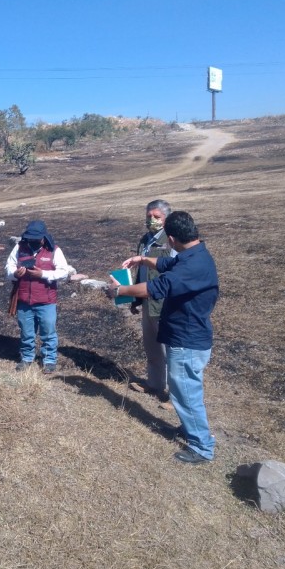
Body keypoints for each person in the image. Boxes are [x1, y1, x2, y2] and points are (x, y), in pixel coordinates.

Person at [106, 211, 219, 464]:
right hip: (191, 336)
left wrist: (119, 291)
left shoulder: (191, 266)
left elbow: (156, 288)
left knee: (186, 392)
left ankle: (202, 448)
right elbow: (167, 264)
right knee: (187, 391)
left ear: (170, 239)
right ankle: (191, 430)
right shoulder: (195, 254)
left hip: (186, 340)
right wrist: (143, 260)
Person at [5, 220, 72, 373]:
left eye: (36, 238)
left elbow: (63, 272)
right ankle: (27, 358)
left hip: (46, 301)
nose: (33, 241)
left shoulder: (54, 250)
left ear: (44, 237)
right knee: (26, 332)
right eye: (30, 238)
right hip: (24, 300)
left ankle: (49, 360)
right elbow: (8, 266)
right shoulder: (19, 247)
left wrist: (43, 274)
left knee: (48, 331)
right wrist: (15, 273)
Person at [127, 199, 175, 398]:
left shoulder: (171, 240)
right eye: (149, 216)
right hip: (147, 300)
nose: (152, 220)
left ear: (166, 219)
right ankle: (155, 384)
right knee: (152, 346)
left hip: (164, 302)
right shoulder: (145, 240)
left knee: (171, 352)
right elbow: (142, 272)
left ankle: (176, 395)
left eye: (157, 217)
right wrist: (136, 300)